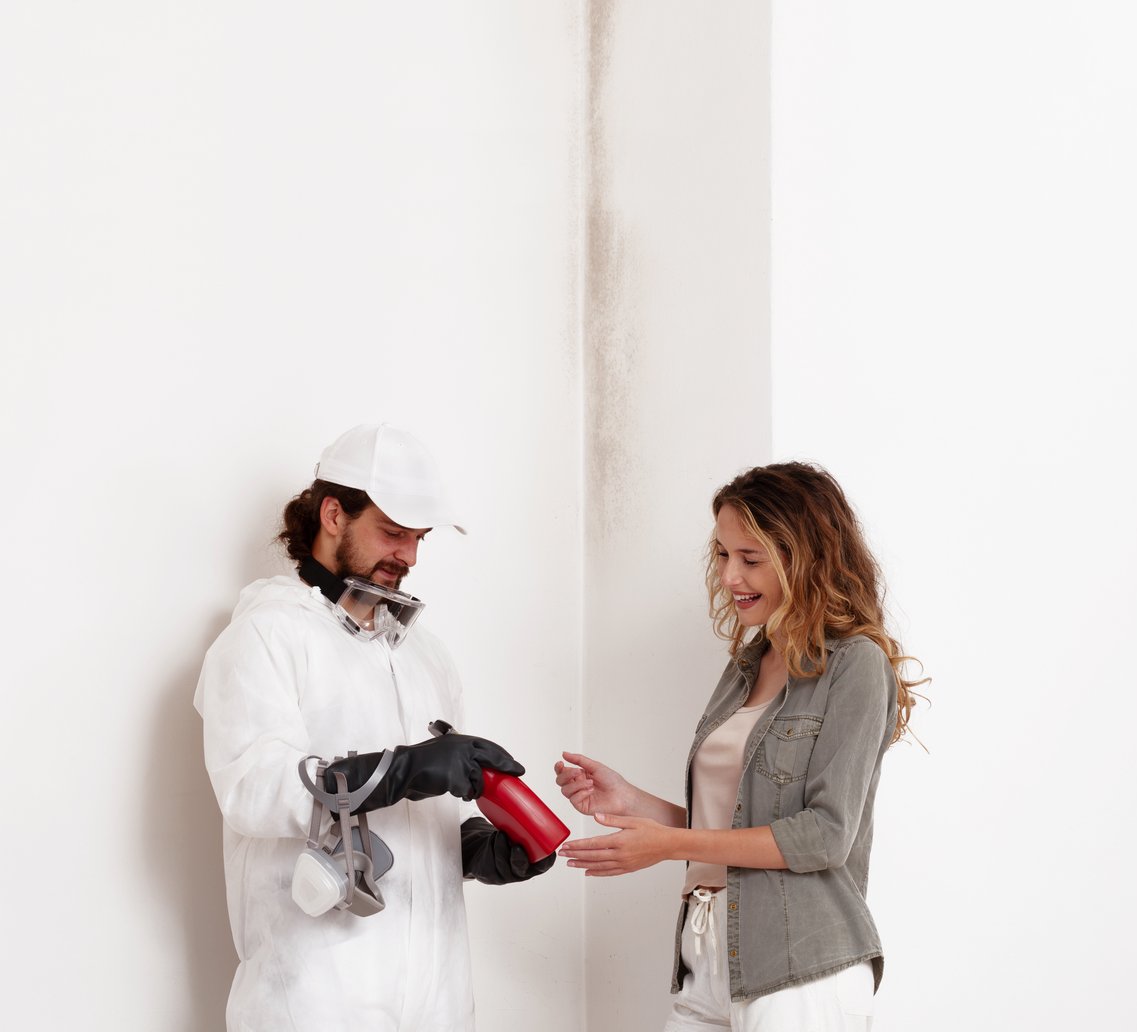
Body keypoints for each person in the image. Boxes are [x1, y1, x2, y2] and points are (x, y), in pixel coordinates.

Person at [195, 423, 553, 1032]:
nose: (409, 556)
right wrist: (407, 767)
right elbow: (254, 789)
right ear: (333, 514)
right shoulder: (265, 637)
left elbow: (415, 819)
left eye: (419, 538)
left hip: (438, 998)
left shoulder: (425, 657)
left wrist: (478, 850)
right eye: (392, 532)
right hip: (315, 999)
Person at [555, 462, 924, 1031]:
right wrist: (633, 804)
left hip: (800, 965)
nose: (730, 576)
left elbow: (824, 834)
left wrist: (666, 844)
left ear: (808, 561)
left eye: (750, 559)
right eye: (724, 555)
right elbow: (737, 823)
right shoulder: (745, 667)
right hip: (706, 958)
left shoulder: (855, 665)